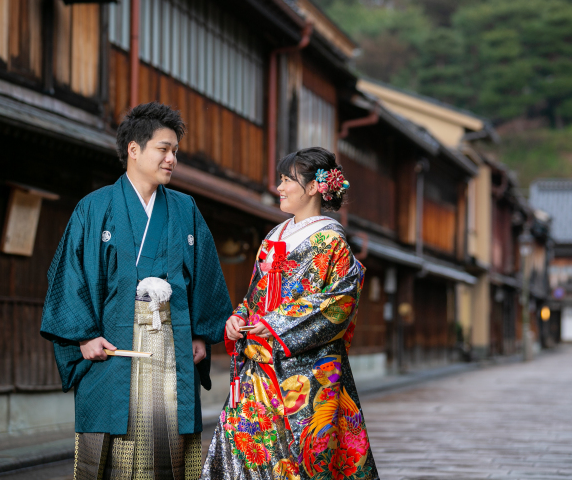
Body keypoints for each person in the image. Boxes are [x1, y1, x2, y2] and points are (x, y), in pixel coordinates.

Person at [40, 102, 233, 480]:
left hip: (171, 341)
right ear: (134, 149)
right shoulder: (93, 208)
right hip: (112, 343)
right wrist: (83, 337)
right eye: (163, 149)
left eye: (175, 151)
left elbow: (206, 274)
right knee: (111, 442)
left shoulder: (185, 208)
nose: (171, 159)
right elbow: (70, 274)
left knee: (169, 440)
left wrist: (198, 334)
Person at [202, 147, 379, 480]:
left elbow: (339, 302)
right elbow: (256, 295)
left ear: (314, 187)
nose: (279, 187)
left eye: (287, 180)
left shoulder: (331, 241)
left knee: (304, 456)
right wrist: (239, 317)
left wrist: (276, 323)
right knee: (250, 450)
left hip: (308, 373)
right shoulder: (274, 237)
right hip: (260, 366)